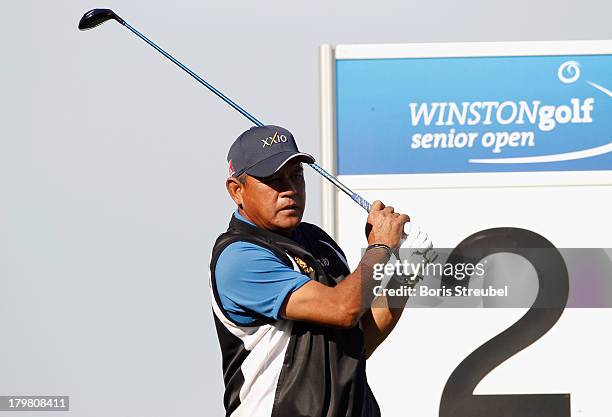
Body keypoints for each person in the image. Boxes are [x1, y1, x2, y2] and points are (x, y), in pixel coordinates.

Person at [210, 125, 412, 417]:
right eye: (274, 180)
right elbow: (343, 307)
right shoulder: (239, 258)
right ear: (237, 190)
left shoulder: (318, 242)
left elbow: (357, 341)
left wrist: (405, 271)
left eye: (296, 176)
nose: (289, 190)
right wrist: (380, 248)